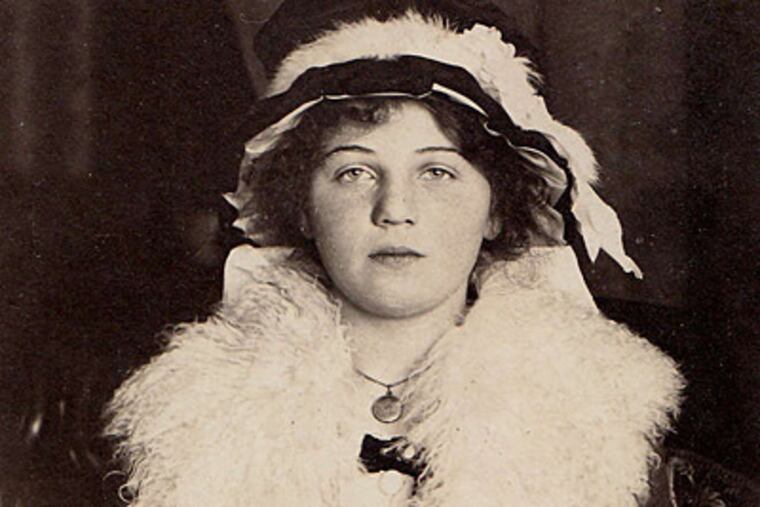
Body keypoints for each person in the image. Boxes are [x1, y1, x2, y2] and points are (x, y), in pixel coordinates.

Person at [104, 1, 759, 505]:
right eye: (354, 172)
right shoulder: (194, 422)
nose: (395, 208)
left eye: (438, 172)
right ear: (301, 206)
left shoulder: (604, 423)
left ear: (497, 207)